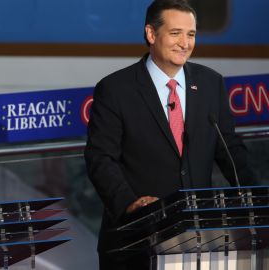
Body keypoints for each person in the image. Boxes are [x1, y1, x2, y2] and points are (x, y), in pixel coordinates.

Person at [84, 0, 255, 269]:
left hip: (200, 240)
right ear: (151, 34)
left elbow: (230, 149)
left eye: (191, 34)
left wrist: (255, 199)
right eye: (176, 33)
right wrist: (129, 203)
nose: (185, 43)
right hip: (137, 240)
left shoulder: (211, 83)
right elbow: (100, 158)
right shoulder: (115, 89)